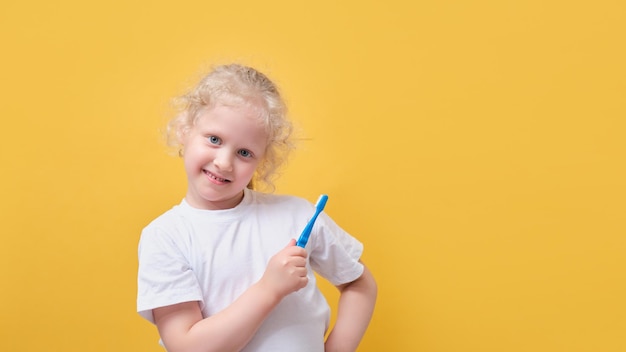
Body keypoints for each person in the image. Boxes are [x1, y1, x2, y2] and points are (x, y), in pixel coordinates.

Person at [137, 63, 377, 352]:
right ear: (184, 131)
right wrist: (269, 289)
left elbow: (359, 285)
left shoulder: (298, 216)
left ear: (262, 160)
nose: (224, 162)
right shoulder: (166, 236)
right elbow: (188, 346)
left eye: (244, 152)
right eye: (214, 139)